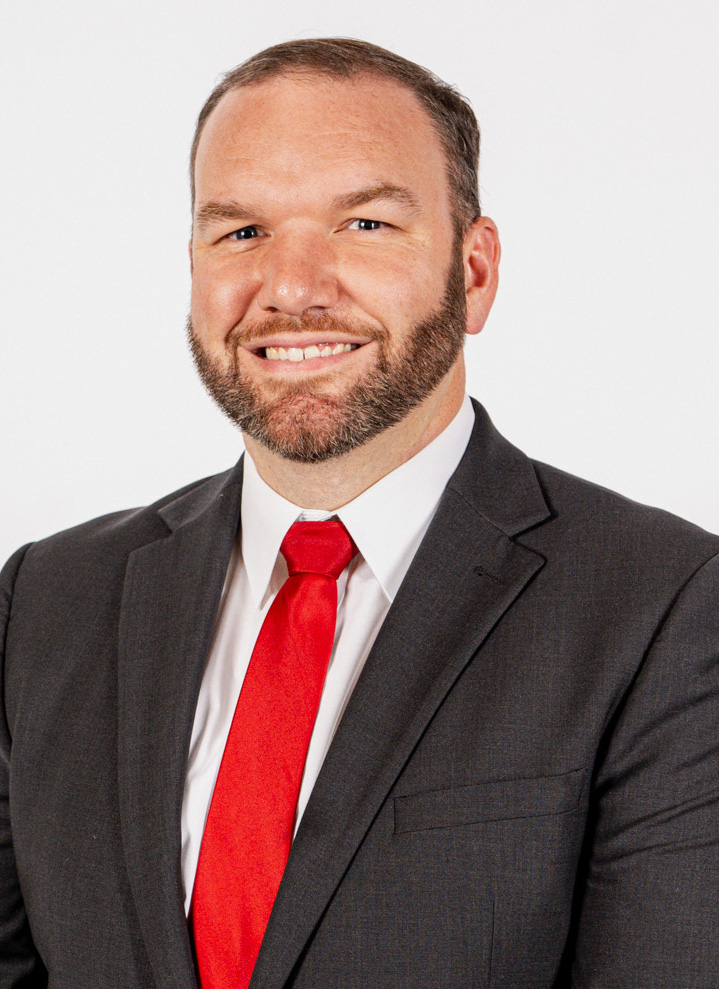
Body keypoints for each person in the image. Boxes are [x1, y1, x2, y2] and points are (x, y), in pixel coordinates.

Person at [1, 37, 718, 989]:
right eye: (241, 232)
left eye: (365, 224)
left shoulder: (664, 606)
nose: (292, 287)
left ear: (473, 272)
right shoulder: (45, 599)